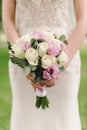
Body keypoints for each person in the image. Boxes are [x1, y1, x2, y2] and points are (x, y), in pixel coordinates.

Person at [2, 0, 87, 130]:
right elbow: (8, 19)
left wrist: (61, 65)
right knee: (26, 120)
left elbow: (83, 20)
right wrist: (24, 61)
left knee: (65, 120)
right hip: (23, 59)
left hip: (65, 56)